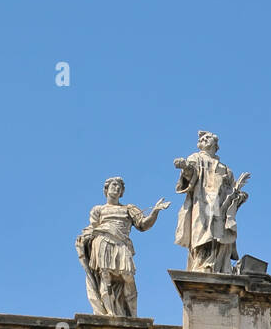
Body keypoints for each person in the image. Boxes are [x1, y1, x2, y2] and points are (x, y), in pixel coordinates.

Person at [76, 178, 169, 318]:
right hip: (103, 242)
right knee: (105, 276)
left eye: (120, 187)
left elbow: (143, 225)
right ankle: (109, 312)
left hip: (121, 244)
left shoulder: (128, 209)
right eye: (114, 185)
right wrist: (84, 238)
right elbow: (92, 228)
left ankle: (131, 314)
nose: (117, 188)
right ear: (106, 189)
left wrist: (155, 211)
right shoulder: (98, 209)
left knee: (128, 276)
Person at [174, 131, 249, 275]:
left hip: (220, 206)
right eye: (202, 139)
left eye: (207, 138)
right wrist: (185, 167)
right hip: (202, 202)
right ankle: (202, 264)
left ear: (215, 144)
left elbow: (231, 190)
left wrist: (238, 197)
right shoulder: (195, 158)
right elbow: (190, 173)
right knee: (202, 233)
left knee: (220, 235)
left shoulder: (225, 168)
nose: (204, 140)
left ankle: (219, 266)